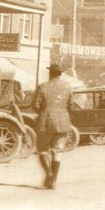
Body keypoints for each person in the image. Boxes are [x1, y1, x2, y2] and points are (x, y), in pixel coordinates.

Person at [32, 62, 73, 190]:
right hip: (63, 123)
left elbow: (35, 106)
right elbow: (71, 106)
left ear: (50, 73)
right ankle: (53, 180)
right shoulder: (68, 87)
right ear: (60, 74)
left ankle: (49, 174)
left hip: (45, 122)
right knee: (57, 151)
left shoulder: (42, 87)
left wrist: (43, 112)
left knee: (43, 150)